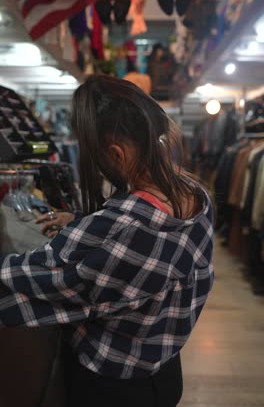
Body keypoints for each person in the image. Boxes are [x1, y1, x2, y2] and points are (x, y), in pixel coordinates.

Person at [0, 75, 214, 407]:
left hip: (112, 385)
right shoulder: (195, 195)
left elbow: (31, 280)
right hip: (165, 371)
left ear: (114, 153)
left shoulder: (118, 228)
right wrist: (82, 222)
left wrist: (84, 231)